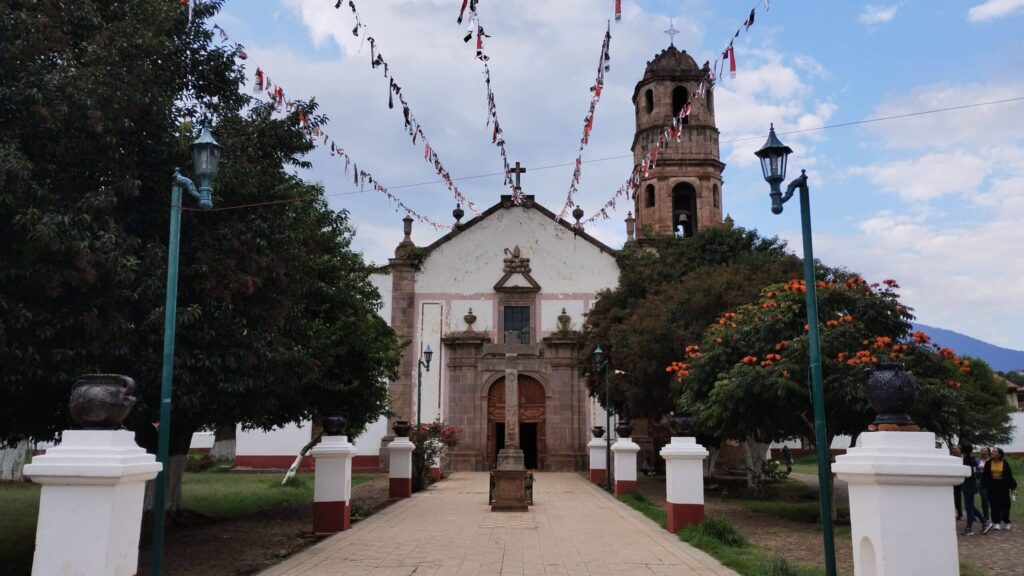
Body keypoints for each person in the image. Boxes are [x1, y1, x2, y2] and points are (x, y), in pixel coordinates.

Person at [981, 447, 1018, 533]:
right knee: (994, 504)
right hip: (992, 486)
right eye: (992, 451)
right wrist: (984, 485)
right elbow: (985, 475)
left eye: (995, 452)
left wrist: (1013, 486)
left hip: (1003, 486)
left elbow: (1009, 476)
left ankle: (1006, 521)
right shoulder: (988, 463)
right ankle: (996, 522)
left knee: (1005, 505)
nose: (992, 453)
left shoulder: (1004, 463)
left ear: (999, 454)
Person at [959, 442, 988, 536]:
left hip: (968, 485)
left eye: (960, 447)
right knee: (971, 506)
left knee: (969, 507)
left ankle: (969, 528)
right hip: (970, 484)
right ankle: (984, 523)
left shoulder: (966, 459)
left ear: (963, 449)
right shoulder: (971, 458)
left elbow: (968, 473)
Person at [977, 447, 992, 524]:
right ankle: (986, 517)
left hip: (992, 482)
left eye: (984, 451)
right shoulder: (978, 460)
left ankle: (997, 517)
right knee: (984, 500)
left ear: (988, 452)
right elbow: (975, 470)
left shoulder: (992, 461)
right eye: (981, 451)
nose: (982, 452)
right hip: (981, 482)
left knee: (992, 500)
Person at [951, 444, 963, 520]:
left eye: (956, 449)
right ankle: (959, 513)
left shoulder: (963, 458)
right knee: (956, 498)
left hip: (964, 479)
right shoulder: (950, 458)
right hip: (955, 480)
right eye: (953, 449)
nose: (954, 450)